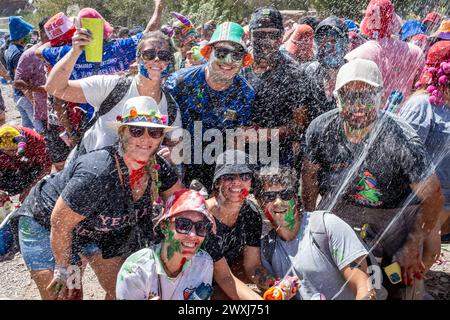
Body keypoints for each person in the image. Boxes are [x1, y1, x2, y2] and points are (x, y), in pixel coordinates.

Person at [302, 58, 444, 299]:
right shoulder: (320, 129)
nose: (358, 106)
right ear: (337, 98)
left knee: (403, 287)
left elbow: (433, 197)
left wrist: (412, 243)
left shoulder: (402, 139)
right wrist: (309, 228)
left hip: (397, 213)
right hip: (343, 208)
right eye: (349, 97)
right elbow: (309, 179)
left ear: (381, 97)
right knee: (342, 283)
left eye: (366, 97)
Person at [14, 96, 183, 300]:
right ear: (122, 132)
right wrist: (62, 268)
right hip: (47, 224)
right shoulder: (98, 171)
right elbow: (60, 223)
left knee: (124, 291)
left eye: (154, 132)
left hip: (96, 230)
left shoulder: (158, 169)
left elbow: (181, 202)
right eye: (137, 130)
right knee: (67, 295)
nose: (146, 139)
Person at [45, 28, 182, 158]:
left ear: (169, 61)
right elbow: (54, 88)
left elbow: (176, 145)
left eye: (163, 55)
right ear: (138, 58)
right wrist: (75, 52)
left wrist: (171, 153)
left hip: (133, 179)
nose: (157, 59)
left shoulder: (170, 107)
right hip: (90, 173)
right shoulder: (111, 87)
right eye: (149, 54)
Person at [256, 167, 377, 300]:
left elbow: (362, 285)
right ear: (260, 202)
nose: (278, 202)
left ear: (296, 198)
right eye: (269, 196)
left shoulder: (326, 226)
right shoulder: (267, 248)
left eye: (286, 194)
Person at [165, 22, 254, 191]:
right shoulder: (179, 83)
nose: (228, 61)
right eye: (221, 52)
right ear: (208, 53)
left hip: (216, 168)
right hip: (177, 165)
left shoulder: (245, 94)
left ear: (243, 61)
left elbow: (237, 141)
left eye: (236, 55)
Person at [399, 40, 450, 264]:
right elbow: (404, 152)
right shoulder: (421, 104)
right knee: (424, 252)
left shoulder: (446, 103)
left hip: (444, 198)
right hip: (421, 197)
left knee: (426, 254)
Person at [116, 189, 215, 300]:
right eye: (183, 225)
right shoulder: (136, 271)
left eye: (201, 227)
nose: (193, 235)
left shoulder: (204, 263)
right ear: (164, 226)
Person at [241, 7, 307, 169]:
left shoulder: (294, 73)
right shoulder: (237, 67)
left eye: (273, 35)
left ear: (281, 37)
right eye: (260, 35)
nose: (267, 41)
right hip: (238, 152)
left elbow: (299, 125)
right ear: (250, 35)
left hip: (280, 155)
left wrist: (263, 134)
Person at [202, 150, 272, 300]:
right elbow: (223, 276)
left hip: (223, 282)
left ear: (251, 182)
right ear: (218, 181)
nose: (237, 182)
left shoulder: (251, 214)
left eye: (245, 176)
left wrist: (275, 287)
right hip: (193, 285)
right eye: (229, 176)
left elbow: (252, 266)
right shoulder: (202, 216)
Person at [346, 0, 425, 108]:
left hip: (370, 118)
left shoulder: (357, 55)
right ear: (392, 19)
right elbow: (420, 90)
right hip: (404, 119)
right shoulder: (416, 53)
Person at [13, 17, 50, 134]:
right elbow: (17, 82)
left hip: (68, 110)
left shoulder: (63, 49)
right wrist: (39, 89)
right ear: (41, 33)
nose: (52, 35)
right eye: (48, 32)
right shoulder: (29, 55)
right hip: (45, 111)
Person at [0, 124, 51, 202]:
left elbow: (48, 168)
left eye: (15, 150)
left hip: (32, 166)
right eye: (8, 151)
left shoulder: (34, 139)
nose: (14, 153)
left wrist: (30, 189)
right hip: (11, 168)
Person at [5, 16, 36, 130]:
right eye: (27, 34)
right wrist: (33, 101)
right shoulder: (18, 53)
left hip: (17, 95)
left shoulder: (10, 49)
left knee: (26, 128)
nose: (29, 36)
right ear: (22, 36)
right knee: (37, 129)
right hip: (24, 96)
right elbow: (20, 79)